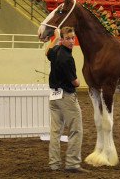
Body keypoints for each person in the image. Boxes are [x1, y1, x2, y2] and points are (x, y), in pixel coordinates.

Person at [45, 27, 87, 173]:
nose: (71, 41)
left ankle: (54, 164)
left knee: (55, 132)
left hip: (53, 97)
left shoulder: (55, 50)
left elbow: (46, 52)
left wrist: (55, 38)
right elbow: (75, 82)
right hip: (66, 97)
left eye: (72, 38)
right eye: (68, 38)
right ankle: (72, 163)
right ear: (63, 39)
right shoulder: (68, 58)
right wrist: (79, 82)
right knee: (76, 129)